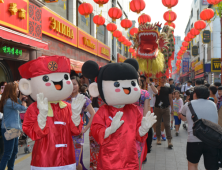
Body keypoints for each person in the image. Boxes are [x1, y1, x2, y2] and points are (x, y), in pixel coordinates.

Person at [179, 85, 219, 170]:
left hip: (193, 140)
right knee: (211, 167)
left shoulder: (188, 104)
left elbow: (183, 118)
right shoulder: (213, 104)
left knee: (192, 165)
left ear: (195, 94)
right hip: (211, 140)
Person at [64, 76, 95, 170]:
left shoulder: (83, 98)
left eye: (75, 84)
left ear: (78, 85)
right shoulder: (64, 98)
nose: (73, 86)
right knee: (67, 162)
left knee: (76, 163)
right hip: (65, 134)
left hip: (78, 134)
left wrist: (85, 129)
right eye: (70, 84)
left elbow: (93, 114)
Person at [0, 82, 27, 170]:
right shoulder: (8, 102)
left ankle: (10, 168)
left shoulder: (12, 101)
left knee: (14, 151)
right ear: (12, 90)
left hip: (14, 129)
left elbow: (17, 113)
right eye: (17, 88)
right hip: (9, 129)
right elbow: (22, 108)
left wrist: (20, 127)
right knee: (8, 153)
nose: (18, 90)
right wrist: (24, 102)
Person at [134, 73, 151, 168]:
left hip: (128, 121)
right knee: (139, 149)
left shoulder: (126, 92)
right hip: (140, 122)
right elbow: (146, 112)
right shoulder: (145, 93)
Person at [154, 76, 173, 148]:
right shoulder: (155, 87)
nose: (163, 78)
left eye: (164, 77)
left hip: (166, 108)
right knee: (157, 124)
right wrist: (156, 89)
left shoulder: (168, 88)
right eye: (161, 77)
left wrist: (172, 109)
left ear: (166, 79)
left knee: (167, 124)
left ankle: (169, 141)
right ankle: (158, 138)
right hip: (157, 108)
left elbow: (170, 99)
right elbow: (151, 95)